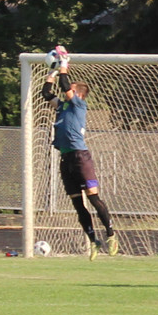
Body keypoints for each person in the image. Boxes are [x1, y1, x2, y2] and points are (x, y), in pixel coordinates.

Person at [47, 45, 119, 259]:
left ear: (78, 94)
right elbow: (46, 93)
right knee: (77, 204)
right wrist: (51, 72)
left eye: (71, 88)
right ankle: (93, 240)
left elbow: (65, 83)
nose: (67, 90)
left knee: (94, 198)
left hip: (81, 157)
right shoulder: (62, 106)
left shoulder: (78, 105)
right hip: (66, 159)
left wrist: (64, 64)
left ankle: (111, 234)